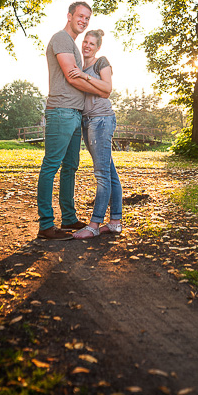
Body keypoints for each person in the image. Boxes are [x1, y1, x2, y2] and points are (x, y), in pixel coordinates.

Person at [35, 1, 97, 240]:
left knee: (70, 167)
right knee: (51, 166)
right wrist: (100, 89)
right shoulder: (61, 38)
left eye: (87, 18)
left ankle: (69, 218)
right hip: (61, 111)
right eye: (80, 16)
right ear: (69, 16)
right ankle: (46, 225)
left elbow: (76, 75)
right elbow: (72, 77)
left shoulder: (73, 45)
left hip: (74, 113)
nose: (83, 21)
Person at [70, 29, 123, 239]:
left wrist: (84, 77)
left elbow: (107, 89)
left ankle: (94, 225)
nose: (87, 46)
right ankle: (115, 222)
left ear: (98, 47)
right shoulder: (78, 64)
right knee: (110, 174)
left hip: (101, 120)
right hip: (88, 121)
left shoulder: (101, 62)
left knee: (102, 175)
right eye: (85, 42)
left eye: (92, 43)